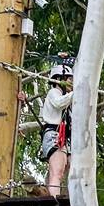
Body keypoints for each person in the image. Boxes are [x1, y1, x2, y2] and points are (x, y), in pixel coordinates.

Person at [39, 61, 74, 197]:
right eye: (69, 80)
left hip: (63, 136)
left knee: (69, 167)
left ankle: (62, 196)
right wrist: (76, 92)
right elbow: (59, 103)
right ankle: (54, 200)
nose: (71, 83)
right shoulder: (54, 92)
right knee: (57, 170)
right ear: (59, 80)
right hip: (54, 135)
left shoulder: (66, 99)